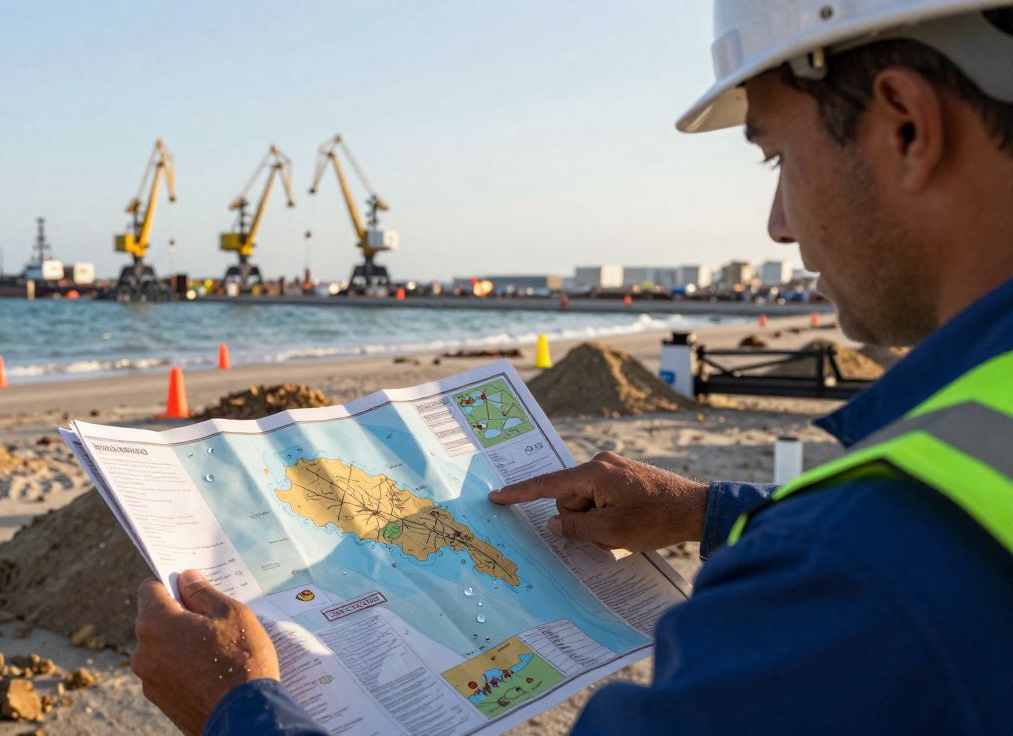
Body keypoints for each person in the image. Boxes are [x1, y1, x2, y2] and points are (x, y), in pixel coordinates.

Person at [128, 2, 1013, 733]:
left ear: (904, 125)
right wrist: (710, 513)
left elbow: (895, 569)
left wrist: (237, 711)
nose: (778, 223)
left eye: (777, 156)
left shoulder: (850, 586)